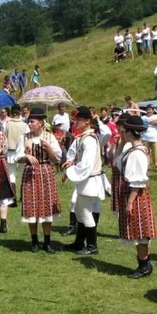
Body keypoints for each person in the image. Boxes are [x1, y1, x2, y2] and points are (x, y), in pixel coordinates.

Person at [13, 108, 62, 253]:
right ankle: (34, 240)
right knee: (31, 206)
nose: (29, 124)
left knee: (46, 206)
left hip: (46, 172)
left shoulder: (49, 137)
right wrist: (26, 156)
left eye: (32, 121)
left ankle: (47, 241)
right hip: (30, 174)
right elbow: (17, 157)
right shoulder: (24, 137)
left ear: (41, 123)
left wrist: (48, 149)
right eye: (29, 121)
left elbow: (56, 159)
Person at [117, 115, 157, 278]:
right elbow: (117, 161)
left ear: (130, 132)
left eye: (124, 130)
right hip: (133, 193)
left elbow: (137, 181)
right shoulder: (132, 149)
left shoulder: (137, 153)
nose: (122, 132)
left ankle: (144, 265)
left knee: (140, 231)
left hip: (136, 195)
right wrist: (122, 142)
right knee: (137, 230)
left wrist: (130, 202)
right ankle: (144, 263)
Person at [64, 106, 107, 255]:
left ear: (88, 121)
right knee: (80, 210)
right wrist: (72, 162)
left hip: (90, 180)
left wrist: (71, 170)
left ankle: (91, 246)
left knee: (84, 212)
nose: (76, 122)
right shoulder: (84, 137)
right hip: (90, 179)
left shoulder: (89, 139)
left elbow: (86, 164)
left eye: (79, 119)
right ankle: (79, 242)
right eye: (76, 119)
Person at [4, 104, 29, 208]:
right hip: (22, 151)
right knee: (24, 174)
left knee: (11, 175)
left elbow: (4, 137)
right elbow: (28, 139)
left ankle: (13, 198)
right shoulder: (25, 125)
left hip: (10, 151)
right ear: (20, 112)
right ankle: (24, 197)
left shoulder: (8, 124)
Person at [141, 105, 157, 171]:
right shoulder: (143, 117)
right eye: (147, 109)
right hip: (145, 137)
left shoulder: (156, 116)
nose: (148, 111)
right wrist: (152, 122)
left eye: (150, 109)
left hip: (154, 138)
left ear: (153, 110)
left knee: (155, 153)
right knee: (146, 153)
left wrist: (147, 122)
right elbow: (141, 124)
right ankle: (146, 165)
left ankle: (156, 165)